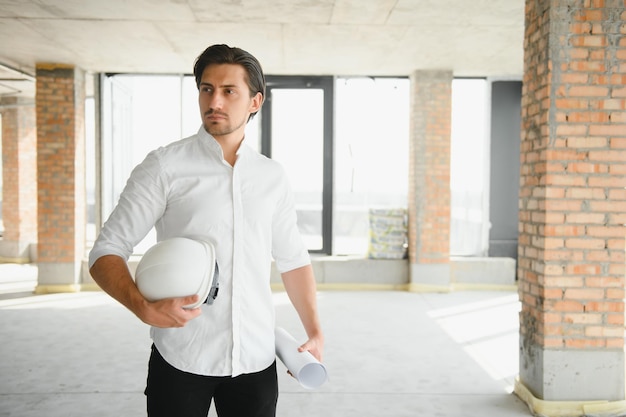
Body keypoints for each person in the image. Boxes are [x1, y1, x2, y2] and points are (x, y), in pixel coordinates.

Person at [88, 44, 324, 417]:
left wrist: (314, 329)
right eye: (206, 89)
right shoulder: (164, 166)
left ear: (254, 101)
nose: (215, 100)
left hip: (255, 359)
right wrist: (141, 307)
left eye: (229, 91)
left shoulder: (271, 176)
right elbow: (106, 250)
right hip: (181, 355)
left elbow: (292, 259)